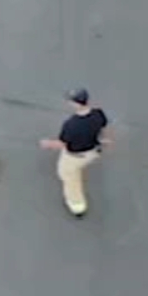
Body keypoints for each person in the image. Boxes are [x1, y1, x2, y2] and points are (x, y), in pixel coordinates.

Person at [38, 88, 113, 217]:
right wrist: (104, 140)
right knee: (71, 171)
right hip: (93, 151)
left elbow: (62, 144)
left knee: (69, 178)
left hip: (75, 156)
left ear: (75, 104)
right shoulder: (98, 113)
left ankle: (77, 206)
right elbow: (103, 129)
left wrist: (47, 144)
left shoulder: (71, 125)